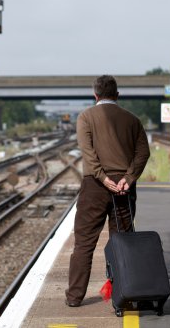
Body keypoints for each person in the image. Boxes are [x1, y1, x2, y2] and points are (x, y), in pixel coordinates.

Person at [65, 75, 150, 307]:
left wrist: (103, 178)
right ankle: (123, 295)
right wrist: (128, 178)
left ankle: (74, 297)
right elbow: (143, 153)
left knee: (84, 242)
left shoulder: (85, 117)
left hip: (94, 186)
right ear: (117, 95)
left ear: (95, 95)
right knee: (122, 241)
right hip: (124, 188)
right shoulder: (132, 120)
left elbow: (88, 153)